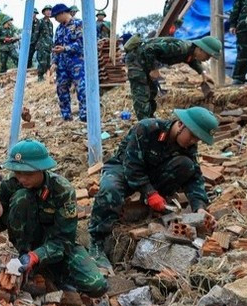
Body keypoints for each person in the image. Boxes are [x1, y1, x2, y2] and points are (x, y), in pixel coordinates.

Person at [88, 107, 218, 269]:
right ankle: (96, 240)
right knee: (110, 189)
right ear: (181, 125)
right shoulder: (147, 128)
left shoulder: (187, 145)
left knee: (186, 165)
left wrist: (199, 207)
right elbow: (132, 167)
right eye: (192, 136)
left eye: (197, 139)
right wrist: (150, 193)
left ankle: (158, 208)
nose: (193, 142)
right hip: (122, 168)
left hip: (152, 173)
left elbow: (195, 176)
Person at [0, 140, 107, 297]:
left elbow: (64, 240)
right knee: (22, 197)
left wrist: (36, 256)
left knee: (96, 286)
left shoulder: (62, 190)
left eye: (28, 173)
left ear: (42, 169)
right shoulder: (10, 183)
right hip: (27, 244)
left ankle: (50, 272)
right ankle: (28, 263)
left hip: (56, 247)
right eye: (18, 172)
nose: (22, 178)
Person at [124, 36, 219, 120]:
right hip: (136, 60)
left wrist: (202, 72)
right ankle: (144, 123)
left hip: (145, 62)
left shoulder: (190, 52)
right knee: (142, 93)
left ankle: (149, 119)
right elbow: (149, 49)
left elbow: (191, 60)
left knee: (152, 91)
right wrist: (153, 69)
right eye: (208, 55)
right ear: (200, 49)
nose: (208, 59)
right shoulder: (180, 48)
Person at [51, 3, 86, 122]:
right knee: (61, 89)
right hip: (62, 64)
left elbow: (82, 43)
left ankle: (85, 116)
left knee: (82, 89)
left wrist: (65, 48)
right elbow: (56, 46)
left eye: (56, 16)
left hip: (77, 63)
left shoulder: (78, 24)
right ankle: (66, 116)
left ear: (62, 13)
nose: (55, 20)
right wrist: (54, 62)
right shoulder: (59, 29)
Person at [35, 5, 54, 82]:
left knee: (48, 63)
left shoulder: (51, 23)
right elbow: (36, 34)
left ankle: (47, 77)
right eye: (47, 10)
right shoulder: (40, 22)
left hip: (48, 46)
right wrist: (35, 45)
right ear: (43, 12)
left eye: (50, 10)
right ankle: (40, 77)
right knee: (42, 62)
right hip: (41, 46)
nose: (49, 12)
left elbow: (51, 35)